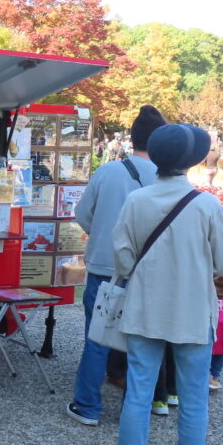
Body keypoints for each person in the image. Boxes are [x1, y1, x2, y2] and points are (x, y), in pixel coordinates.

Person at [106, 123, 223, 445]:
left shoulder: (137, 200)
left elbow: (123, 259)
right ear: (191, 161)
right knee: (194, 395)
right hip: (193, 311)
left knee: (140, 389)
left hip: (145, 307)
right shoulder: (207, 204)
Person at [65, 105, 166, 426]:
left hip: (104, 269)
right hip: (147, 274)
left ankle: (88, 406)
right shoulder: (167, 177)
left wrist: (102, 232)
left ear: (132, 139)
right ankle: (133, 412)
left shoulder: (107, 171)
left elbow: (82, 215)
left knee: (97, 339)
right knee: (141, 343)